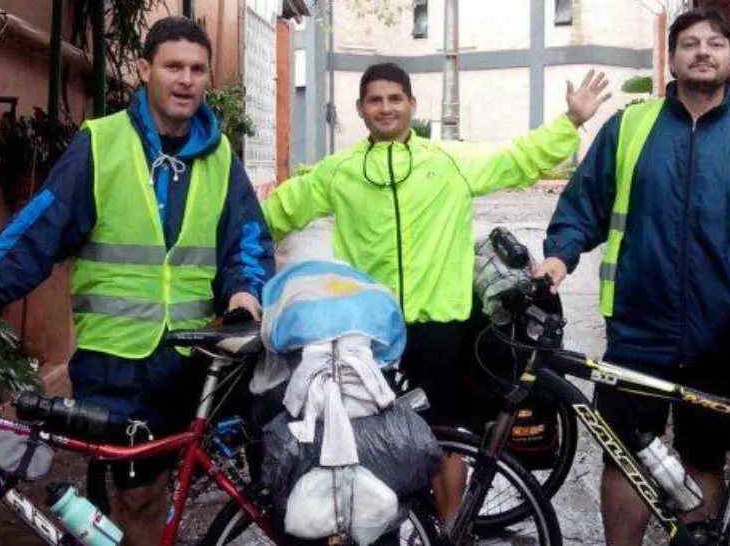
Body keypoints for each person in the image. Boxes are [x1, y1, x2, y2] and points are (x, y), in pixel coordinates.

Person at [0, 17, 274, 546]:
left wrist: (245, 291)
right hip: (112, 357)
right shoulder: (102, 143)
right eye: (173, 66)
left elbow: (247, 239)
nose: (185, 79)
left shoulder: (221, 157)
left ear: (207, 78)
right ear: (144, 70)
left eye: (197, 69)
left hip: (185, 357)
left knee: (150, 492)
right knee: (118, 495)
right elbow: (34, 235)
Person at [260, 61, 611, 531]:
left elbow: (518, 158)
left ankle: (450, 533)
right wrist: (235, 255)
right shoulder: (337, 172)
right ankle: (383, 529)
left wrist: (569, 122)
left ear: (411, 105)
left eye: (394, 98)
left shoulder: (447, 161)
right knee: (370, 442)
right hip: (372, 334)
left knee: (447, 437)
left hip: (441, 327)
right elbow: (277, 212)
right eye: (375, 100)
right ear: (361, 110)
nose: (385, 108)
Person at [536, 7, 730, 545]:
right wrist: (561, 254)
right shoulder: (629, 128)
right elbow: (583, 207)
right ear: (671, 59)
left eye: (715, 43)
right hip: (637, 326)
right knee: (623, 453)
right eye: (690, 43)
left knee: (704, 457)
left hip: (724, 327)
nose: (702, 52)